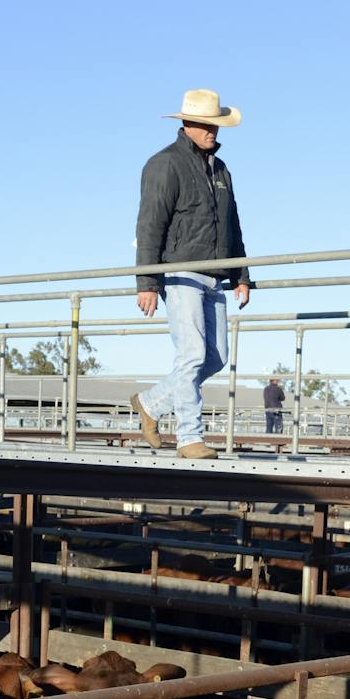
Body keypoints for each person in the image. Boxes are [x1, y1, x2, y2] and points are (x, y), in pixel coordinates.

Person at [130, 89, 250, 460]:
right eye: (206, 124)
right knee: (193, 353)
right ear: (187, 124)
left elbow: (232, 224)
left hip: (214, 275)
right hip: (179, 272)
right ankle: (189, 438)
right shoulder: (164, 164)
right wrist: (147, 282)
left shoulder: (220, 169)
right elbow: (150, 224)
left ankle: (150, 403)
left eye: (216, 124)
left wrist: (241, 274)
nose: (213, 131)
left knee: (215, 357)